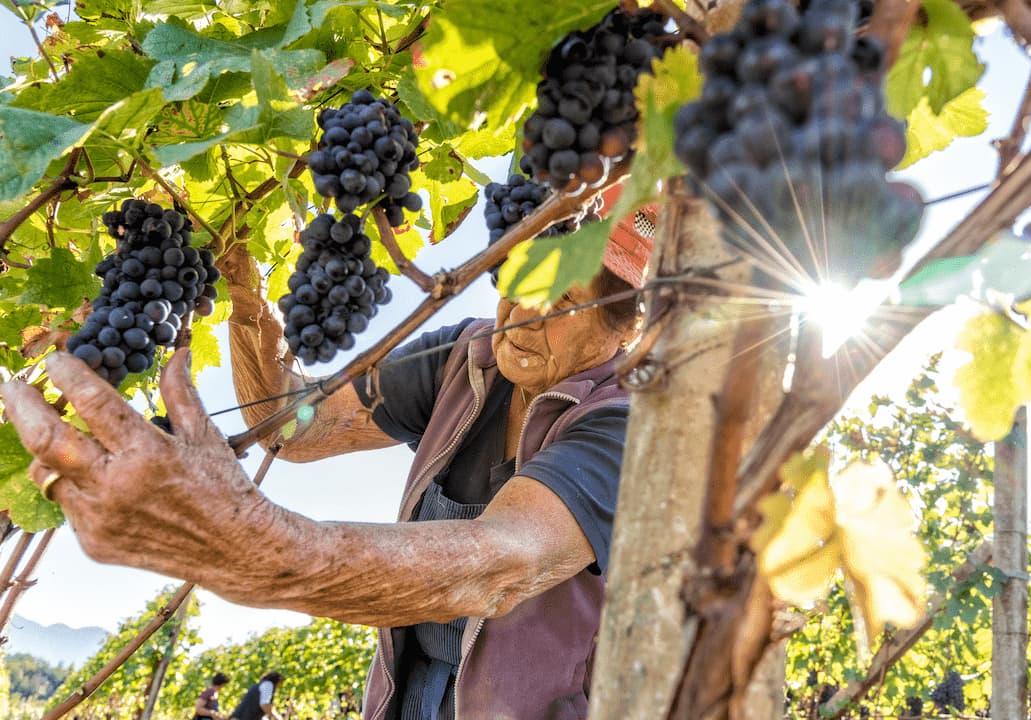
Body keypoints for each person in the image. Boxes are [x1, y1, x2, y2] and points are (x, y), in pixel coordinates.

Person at [1, 187, 657, 719]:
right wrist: (250, 308)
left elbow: (498, 567)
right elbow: (294, 427)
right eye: (520, 279)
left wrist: (244, 547)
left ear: (624, 328)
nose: (519, 315)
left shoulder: (625, 425)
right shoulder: (469, 356)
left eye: (563, 301)